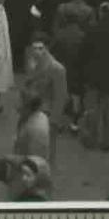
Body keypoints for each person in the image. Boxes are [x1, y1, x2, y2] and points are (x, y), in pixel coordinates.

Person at [79, 2, 109, 151]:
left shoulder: (92, 30)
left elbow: (83, 53)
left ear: (101, 13)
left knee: (92, 109)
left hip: (94, 76)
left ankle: (91, 138)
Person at [21, 34, 69, 164]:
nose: (37, 51)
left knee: (44, 152)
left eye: (40, 48)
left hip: (46, 116)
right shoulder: (31, 64)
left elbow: (60, 97)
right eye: (34, 48)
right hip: (29, 112)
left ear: (47, 48)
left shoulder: (57, 69)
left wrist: (54, 121)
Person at [50, 0, 95, 123]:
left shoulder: (62, 8)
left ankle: (61, 108)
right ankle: (76, 110)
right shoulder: (89, 10)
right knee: (77, 80)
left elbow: (55, 28)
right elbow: (91, 30)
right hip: (80, 47)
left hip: (63, 45)